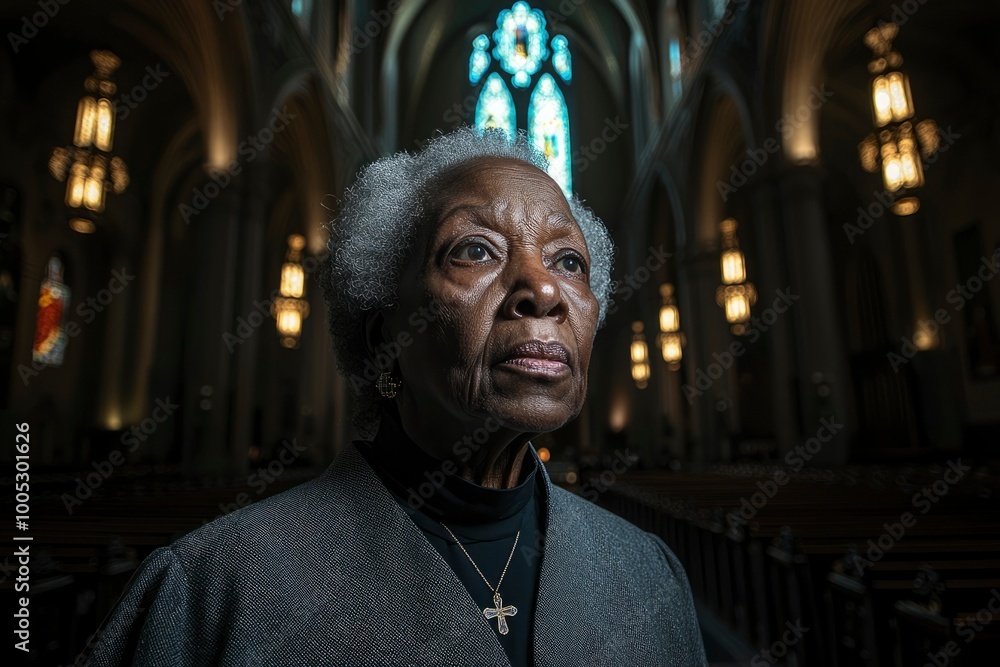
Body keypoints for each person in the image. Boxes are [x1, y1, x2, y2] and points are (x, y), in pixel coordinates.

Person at [86, 127, 707, 666]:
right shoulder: (218, 586)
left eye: (568, 261)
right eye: (475, 250)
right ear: (385, 334)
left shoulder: (648, 572)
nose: (542, 291)